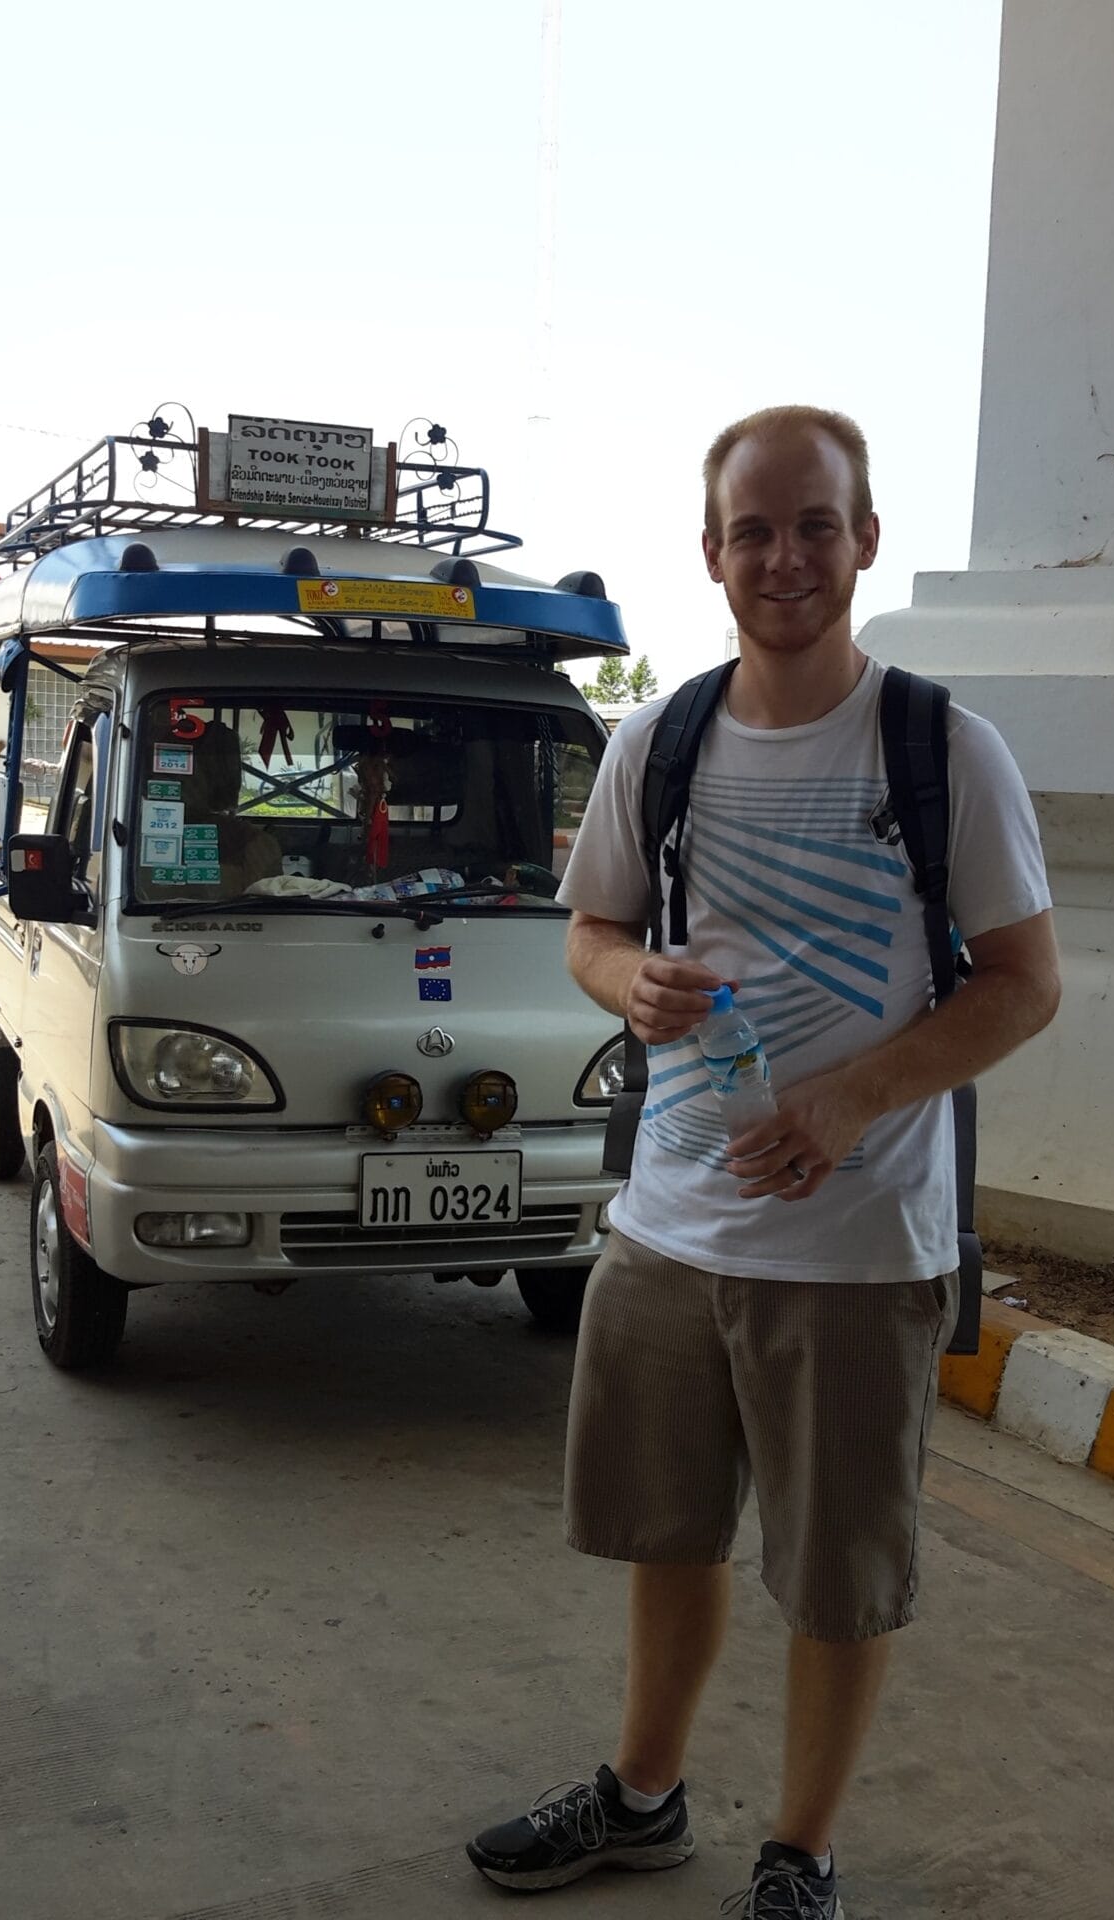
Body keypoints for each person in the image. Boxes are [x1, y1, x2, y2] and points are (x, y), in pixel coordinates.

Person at [465, 406, 1060, 1914]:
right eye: (753, 530)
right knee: (670, 1537)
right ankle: (644, 1796)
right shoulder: (659, 740)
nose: (783, 556)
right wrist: (625, 984)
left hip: (859, 1253)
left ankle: (802, 1850)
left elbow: (1022, 982)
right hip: (670, 1229)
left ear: (863, 540)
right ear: (712, 554)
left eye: (814, 525)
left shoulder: (943, 751)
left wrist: (858, 1099)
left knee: (838, 1577)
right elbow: (592, 929)